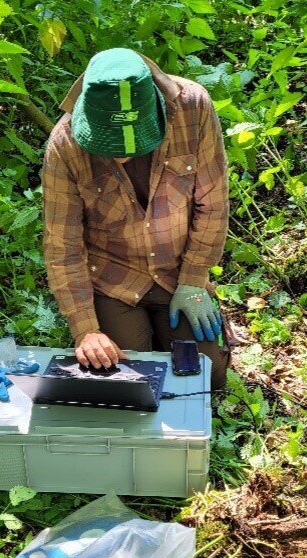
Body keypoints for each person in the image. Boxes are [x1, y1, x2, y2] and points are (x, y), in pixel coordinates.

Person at [42, 48, 231, 389]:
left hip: (177, 272)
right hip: (113, 278)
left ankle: (193, 325)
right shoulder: (64, 144)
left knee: (207, 377)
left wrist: (193, 278)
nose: (124, 156)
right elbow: (63, 247)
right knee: (130, 380)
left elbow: (213, 203)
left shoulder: (193, 108)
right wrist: (86, 329)